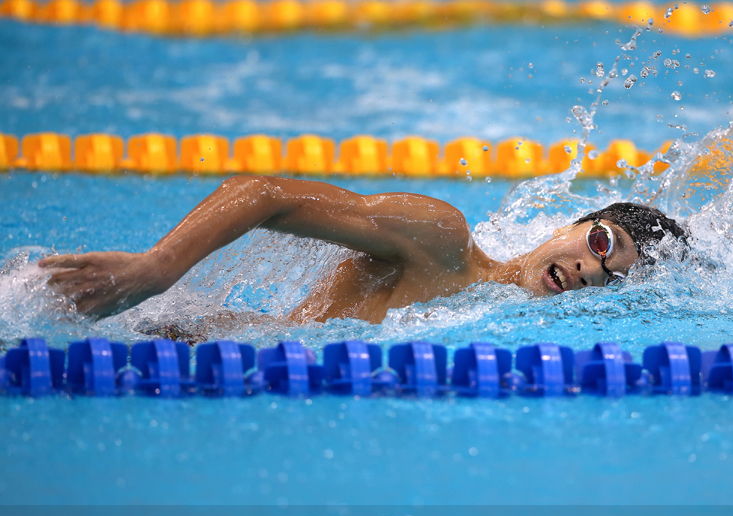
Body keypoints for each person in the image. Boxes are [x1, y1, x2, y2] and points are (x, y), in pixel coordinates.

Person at [38, 176, 686, 324]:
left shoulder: (499, 322)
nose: (588, 267)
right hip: (169, 338)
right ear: (573, 225)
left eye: (610, 274)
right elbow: (264, 193)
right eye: (602, 242)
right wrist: (158, 267)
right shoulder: (442, 241)